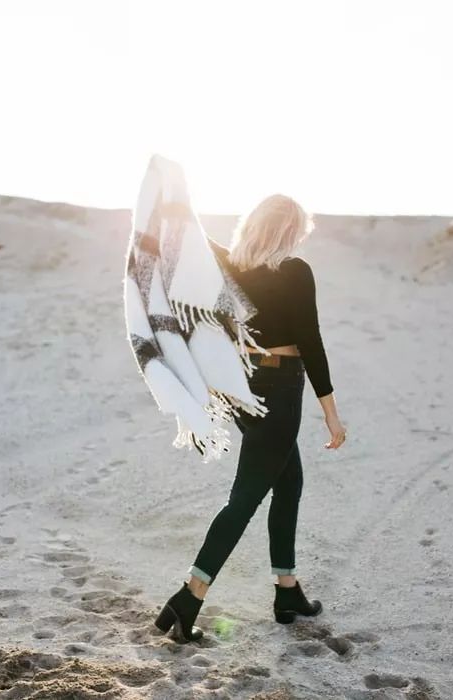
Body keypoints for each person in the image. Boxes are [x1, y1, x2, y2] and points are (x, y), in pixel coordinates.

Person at [153, 194, 347, 642]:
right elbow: (311, 343)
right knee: (245, 497)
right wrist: (332, 415)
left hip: (244, 385)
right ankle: (190, 596)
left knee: (289, 480)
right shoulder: (295, 271)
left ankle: (287, 590)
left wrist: (171, 196)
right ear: (291, 231)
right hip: (280, 389)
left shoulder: (230, 265)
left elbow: (196, 235)